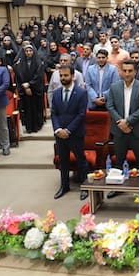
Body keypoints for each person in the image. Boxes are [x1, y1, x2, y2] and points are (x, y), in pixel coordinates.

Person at [106, 60, 139, 196]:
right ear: (120, 72)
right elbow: (110, 106)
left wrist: (128, 122)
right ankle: (117, 187)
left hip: (137, 130)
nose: (127, 73)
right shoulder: (114, 87)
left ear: (135, 72)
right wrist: (121, 122)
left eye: (130, 71)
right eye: (124, 71)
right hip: (119, 130)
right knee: (119, 161)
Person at [51, 65, 90, 200]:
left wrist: (68, 130)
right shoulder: (56, 93)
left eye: (66, 75)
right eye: (61, 76)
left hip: (75, 133)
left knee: (81, 160)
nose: (63, 78)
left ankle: (85, 187)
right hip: (60, 134)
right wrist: (58, 129)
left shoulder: (81, 93)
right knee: (63, 161)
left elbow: (81, 114)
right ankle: (64, 186)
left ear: (73, 76)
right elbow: (54, 114)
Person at [14, 44, 45, 133]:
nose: (28, 52)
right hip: (25, 90)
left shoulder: (38, 62)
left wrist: (30, 84)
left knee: (36, 107)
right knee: (27, 108)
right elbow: (19, 76)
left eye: (30, 51)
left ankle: (37, 126)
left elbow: (39, 76)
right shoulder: (20, 63)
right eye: (26, 51)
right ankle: (29, 127)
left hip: (35, 90)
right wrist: (25, 87)